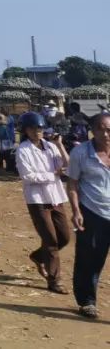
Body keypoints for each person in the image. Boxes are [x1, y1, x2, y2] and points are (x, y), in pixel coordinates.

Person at [14, 112, 70, 294]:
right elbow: (27, 176)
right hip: (37, 200)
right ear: (25, 131)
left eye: (39, 128)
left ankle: (38, 256)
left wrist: (60, 145)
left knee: (64, 237)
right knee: (51, 240)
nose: (37, 132)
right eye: (32, 129)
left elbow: (67, 165)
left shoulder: (51, 146)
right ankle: (55, 280)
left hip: (56, 196)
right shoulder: (23, 150)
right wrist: (53, 174)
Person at [67, 111, 110, 320]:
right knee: (90, 259)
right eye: (100, 129)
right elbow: (73, 183)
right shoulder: (80, 153)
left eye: (109, 129)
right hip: (92, 212)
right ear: (91, 130)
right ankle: (87, 301)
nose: (105, 133)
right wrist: (76, 211)